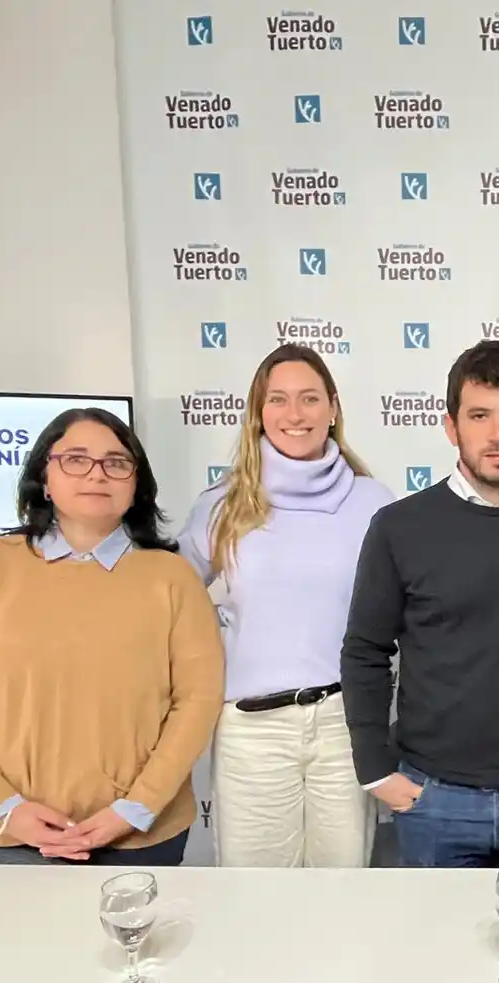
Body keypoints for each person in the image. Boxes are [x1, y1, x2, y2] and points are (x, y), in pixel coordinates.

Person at [0, 407, 224, 865]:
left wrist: (135, 808)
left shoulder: (171, 577)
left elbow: (197, 700)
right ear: (44, 476)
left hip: (139, 834)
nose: (97, 474)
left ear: (136, 483)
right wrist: (5, 807)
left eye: (117, 462)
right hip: (13, 831)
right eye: (75, 459)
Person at [341, 340, 499, 868]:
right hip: (435, 800)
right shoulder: (400, 527)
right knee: (439, 950)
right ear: (450, 425)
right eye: (480, 415)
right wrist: (375, 768)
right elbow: (365, 650)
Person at [180, 345, 393, 867]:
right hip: (252, 733)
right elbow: (167, 599)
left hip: (346, 727)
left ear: (333, 409)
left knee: (342, 894)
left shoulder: (375, 502)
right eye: (278, 400)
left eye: (309, 399)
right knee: (256, 905)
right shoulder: (222, 505)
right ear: (258, 411)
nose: (294, 415)